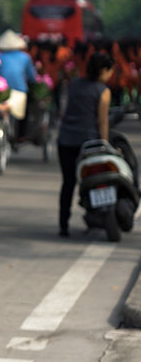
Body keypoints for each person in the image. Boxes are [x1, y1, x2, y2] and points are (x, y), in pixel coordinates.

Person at [56, 52, 114, 237]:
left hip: (65, 140)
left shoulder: (74, 84)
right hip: (89, 144)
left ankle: (63, 224)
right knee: (93, 181)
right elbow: (102, 122)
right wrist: (105, 144)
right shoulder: (103, 91)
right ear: (104, 70)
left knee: (68, 182)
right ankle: (94, 218)